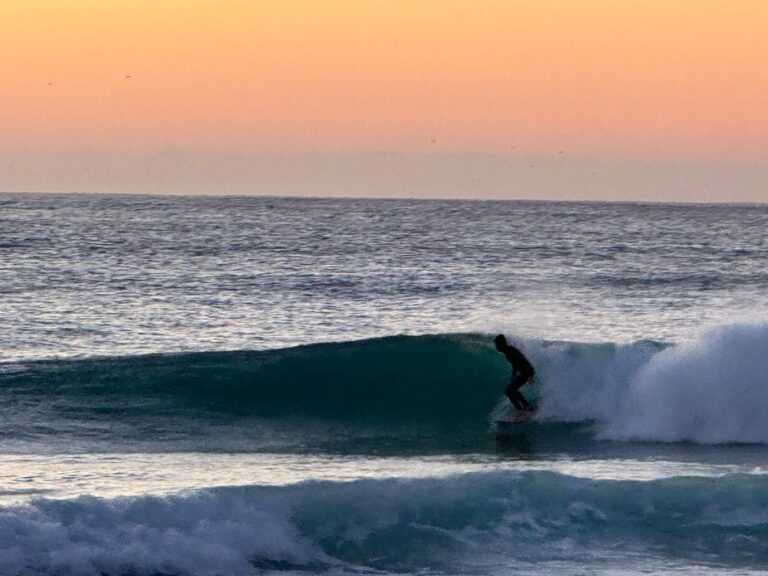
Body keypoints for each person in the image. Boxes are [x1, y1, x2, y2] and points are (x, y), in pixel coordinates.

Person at [494, 334, 535, 411]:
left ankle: (523, 408)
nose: (496, 347)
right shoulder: (508, 351)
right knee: (510, 390)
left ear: (502, 344)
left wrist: (529, 376)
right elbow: (515, 365)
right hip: (526, 372)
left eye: (497, 345)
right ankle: (524, 407)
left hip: (527, 372)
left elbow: (523, 360)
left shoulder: (510, 351)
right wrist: (513, 377)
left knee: (509, 390)